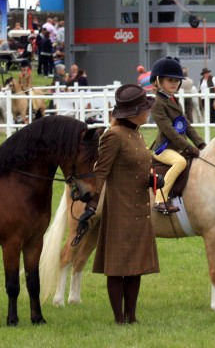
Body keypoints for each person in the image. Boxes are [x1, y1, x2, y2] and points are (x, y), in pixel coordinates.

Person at [83, 84, 159, 324]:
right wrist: (92, 206)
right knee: (117, 266)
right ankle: (119, 317)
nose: (148, 112)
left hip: (139, 207)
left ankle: (132, 315)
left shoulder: (137, 133)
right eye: (145, 109)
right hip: (120, 209)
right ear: (132, 112)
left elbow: (136, 168)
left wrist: (152, 180)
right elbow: (101, 173)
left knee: (136, 265)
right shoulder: (113, 136)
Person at [149, 58, 206, 213]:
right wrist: (188, 147)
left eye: (176, 81)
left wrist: (200, 143)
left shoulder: (174, 100)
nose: (174, 83)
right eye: (170, 80)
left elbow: (185, 124)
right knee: (180, 162)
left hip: (177, 147)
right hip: (164, 149)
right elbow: (169, 130)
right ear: (159, 81)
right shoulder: (158, 104)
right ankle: (160, 199)